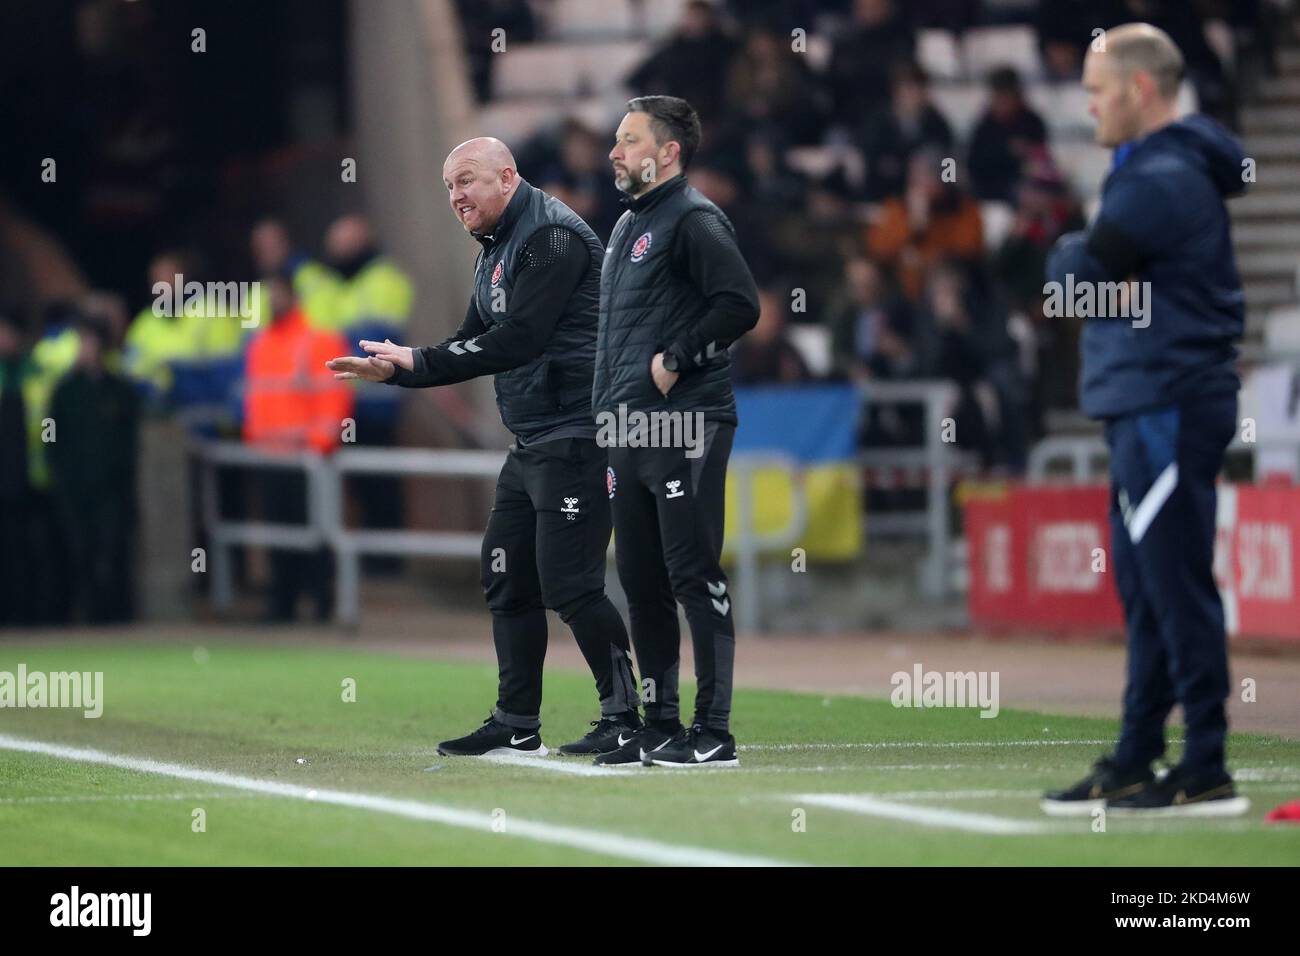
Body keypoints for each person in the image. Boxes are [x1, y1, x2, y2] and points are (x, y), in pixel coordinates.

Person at [328, 137, 640, 759]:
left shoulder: (552, 237)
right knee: (505, 574)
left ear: (507, 176)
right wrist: (403, 371)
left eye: (467, 181)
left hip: (578, 433)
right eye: (449, 187)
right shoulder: (495, 249)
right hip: (533, 439)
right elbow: (475, 338)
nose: (457, 197)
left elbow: (519, 339)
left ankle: (626, 716)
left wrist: (417, 361)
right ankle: (517, 721)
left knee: (571, 583)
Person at [1042, 23, 1250, 817]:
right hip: (1147, 399)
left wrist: (1072, 248)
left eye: (1097, 91)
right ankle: (1138, 753)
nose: (1087, 106)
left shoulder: (1157, 179)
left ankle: (1205, 762)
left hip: (1166, 399)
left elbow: (1073, 279)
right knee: (1147, 585)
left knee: (1173, 583)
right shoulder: (1155, 171)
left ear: (1139, 89)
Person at [592, 96, 760, 768]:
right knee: (639, 579)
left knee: (692, 573)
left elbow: (740, 303)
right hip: (627, 428)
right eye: (616, 139)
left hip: (684, 423)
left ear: (668, 153)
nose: (615, 151)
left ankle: (713, 731)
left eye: (629, 140)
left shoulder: (691, 218)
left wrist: (677, 358)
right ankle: (659, 723)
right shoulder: (629, 225)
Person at [243, 274, 353, 622]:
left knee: (317, 534)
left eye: (277, 294)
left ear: (292, 296)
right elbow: (257, 397)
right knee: (280, 536)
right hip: (272, 457)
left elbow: (334, 396)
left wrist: (321, 443)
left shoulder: (318, 340)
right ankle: (283, 604)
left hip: (310, 458)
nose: (272, 302)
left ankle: (322, 603)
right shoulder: (260, 344)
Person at [47, 317, 140, 624]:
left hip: (111, 487)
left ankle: (115, 615)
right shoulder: (65, 391)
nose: (84, 349)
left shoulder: (120, 390)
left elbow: (129, 440)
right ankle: (85, 614)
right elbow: (51, 433)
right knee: (79, 552)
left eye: (88, 342)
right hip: (74, 486)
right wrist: (58, 473)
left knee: (112, 550)